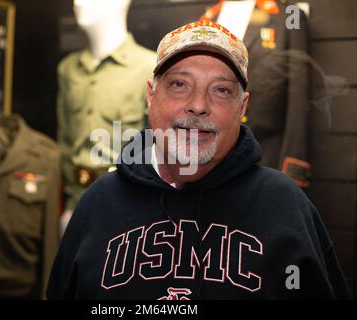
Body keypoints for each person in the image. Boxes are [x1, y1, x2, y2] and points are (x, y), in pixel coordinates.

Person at [47, 20, 350, 300]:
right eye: (179, 84)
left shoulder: (285, 206)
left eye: (221, 90)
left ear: (242, 106)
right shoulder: (99, 204)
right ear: (150, 96)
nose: (198, 105)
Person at [57, 0, 156, 233]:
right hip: (76, 205)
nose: (79, 3)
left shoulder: (149, 67)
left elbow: (157, 149)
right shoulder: (68, 69)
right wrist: (69, 205)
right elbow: (64, 142)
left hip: (128, 209)